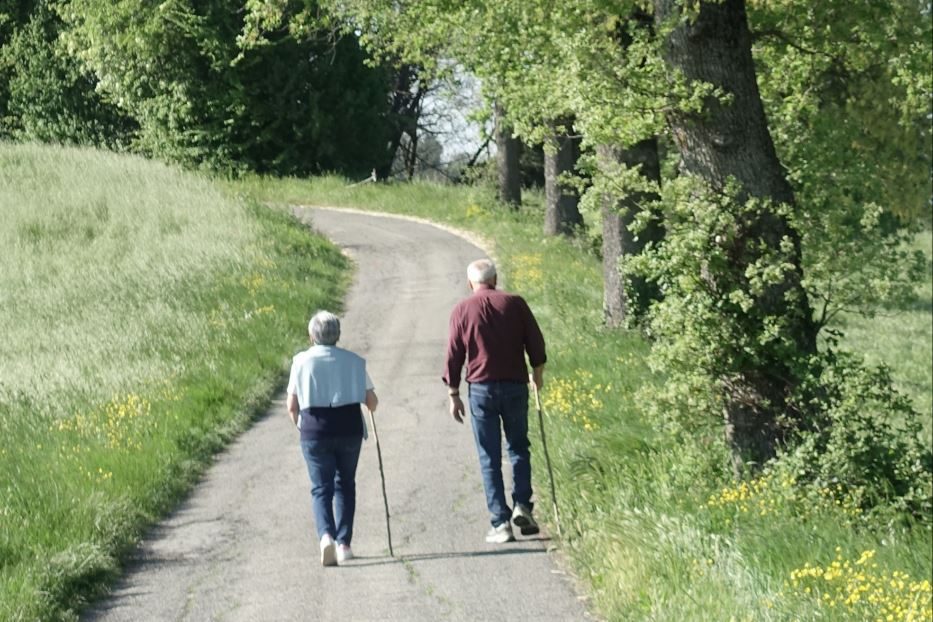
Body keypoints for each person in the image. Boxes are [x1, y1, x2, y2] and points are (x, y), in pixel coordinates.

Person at [443, 259, 547, 543]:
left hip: (481, 389)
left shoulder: (462, 310)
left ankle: (500, 523)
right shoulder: (515, 303)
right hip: (514, 385)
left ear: (469, 283)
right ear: (496, 279)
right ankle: (522, 504)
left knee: (489, 456)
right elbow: (535, 341)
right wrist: (537, 372)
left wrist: (453, 394)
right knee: (518, 447)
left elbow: (454, 354)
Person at [287, 311, 378, 566]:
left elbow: (291, 405)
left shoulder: (301, 362)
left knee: (321, 487)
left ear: (311, 335)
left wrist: (300, 427)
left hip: (314, 430)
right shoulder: (354, 361)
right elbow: (371, 402)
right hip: (349, 428)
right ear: (338, 334)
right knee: (345, 484)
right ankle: (344, 544)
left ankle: (325, 535)